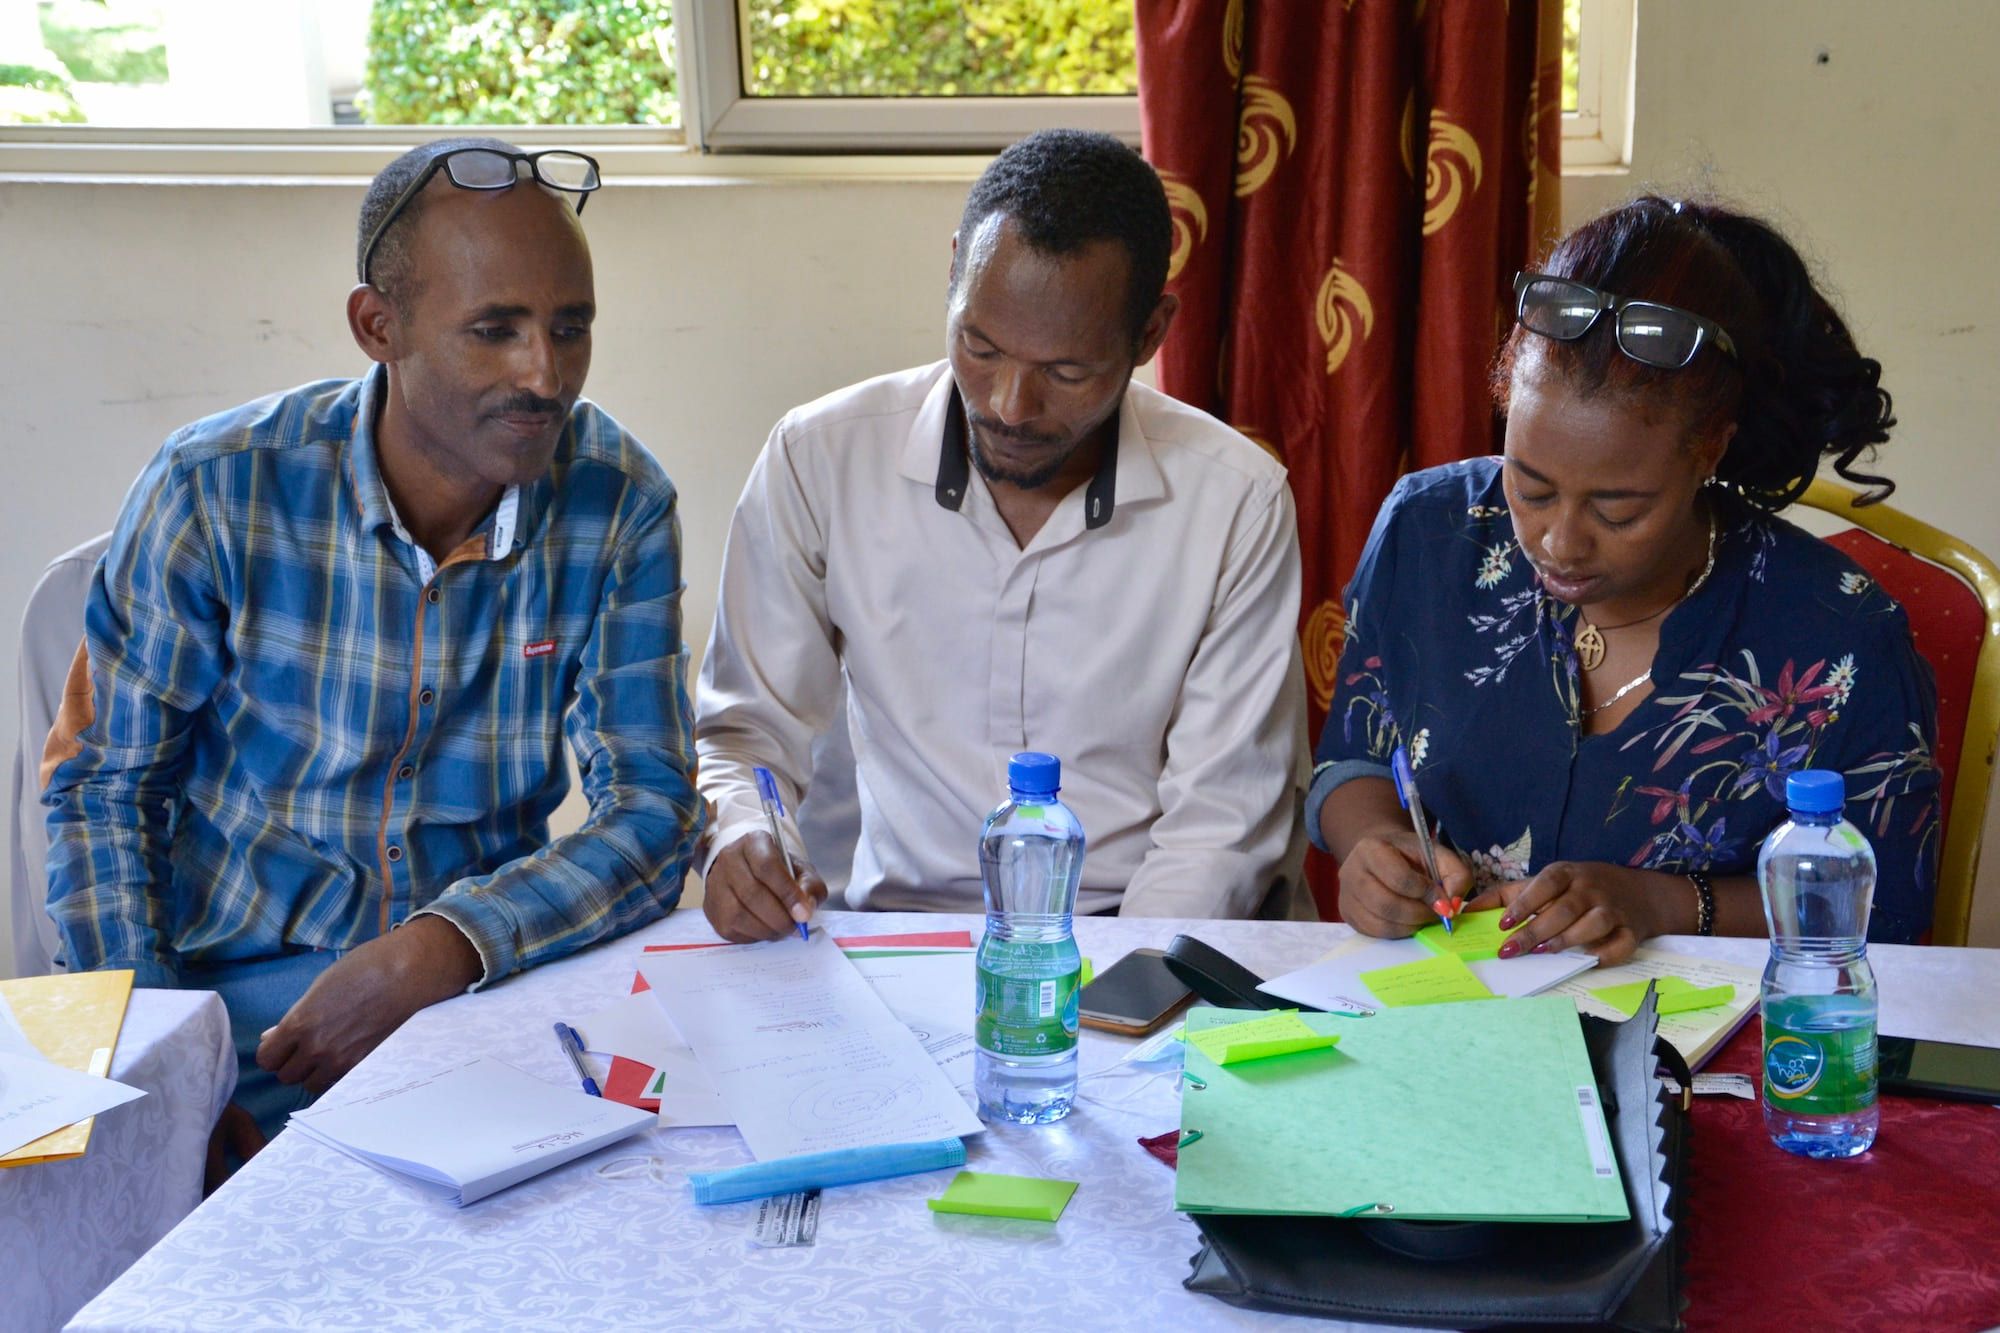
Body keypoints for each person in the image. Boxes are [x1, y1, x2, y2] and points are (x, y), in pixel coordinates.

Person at [43, 138, 705, 1158]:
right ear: (377, 326)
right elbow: (103, 791)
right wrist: (172, 1076)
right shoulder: (216, 487)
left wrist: (441, 947)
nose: (545, 374)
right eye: (495, 330)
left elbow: (653, 815)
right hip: (236, 1008)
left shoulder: (619, 502)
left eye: (570, 328)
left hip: (480, 993)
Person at [696, 129, 1309, 941]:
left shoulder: (1235, 500)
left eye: (1067, 371)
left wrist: (1107, 987)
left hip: (1127, 937)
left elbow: (1220, 826)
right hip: (901, 938)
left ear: (1150, 333)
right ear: (955, 270)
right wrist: (744, 832)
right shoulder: (821, 458)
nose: (1010, 405)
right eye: (979, 347)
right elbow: (746, 732)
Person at [1313, 195, 1939, 962]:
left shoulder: (1839, 636)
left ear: (1710, 450)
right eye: (1531, 486)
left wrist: (1664, 902)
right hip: (1448, 1014)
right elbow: (1356, 758)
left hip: (1705, 1031)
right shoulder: (1429, 533)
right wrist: (1374, 844)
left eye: (1618, 509)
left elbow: (1887, 908)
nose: (1559, 542)